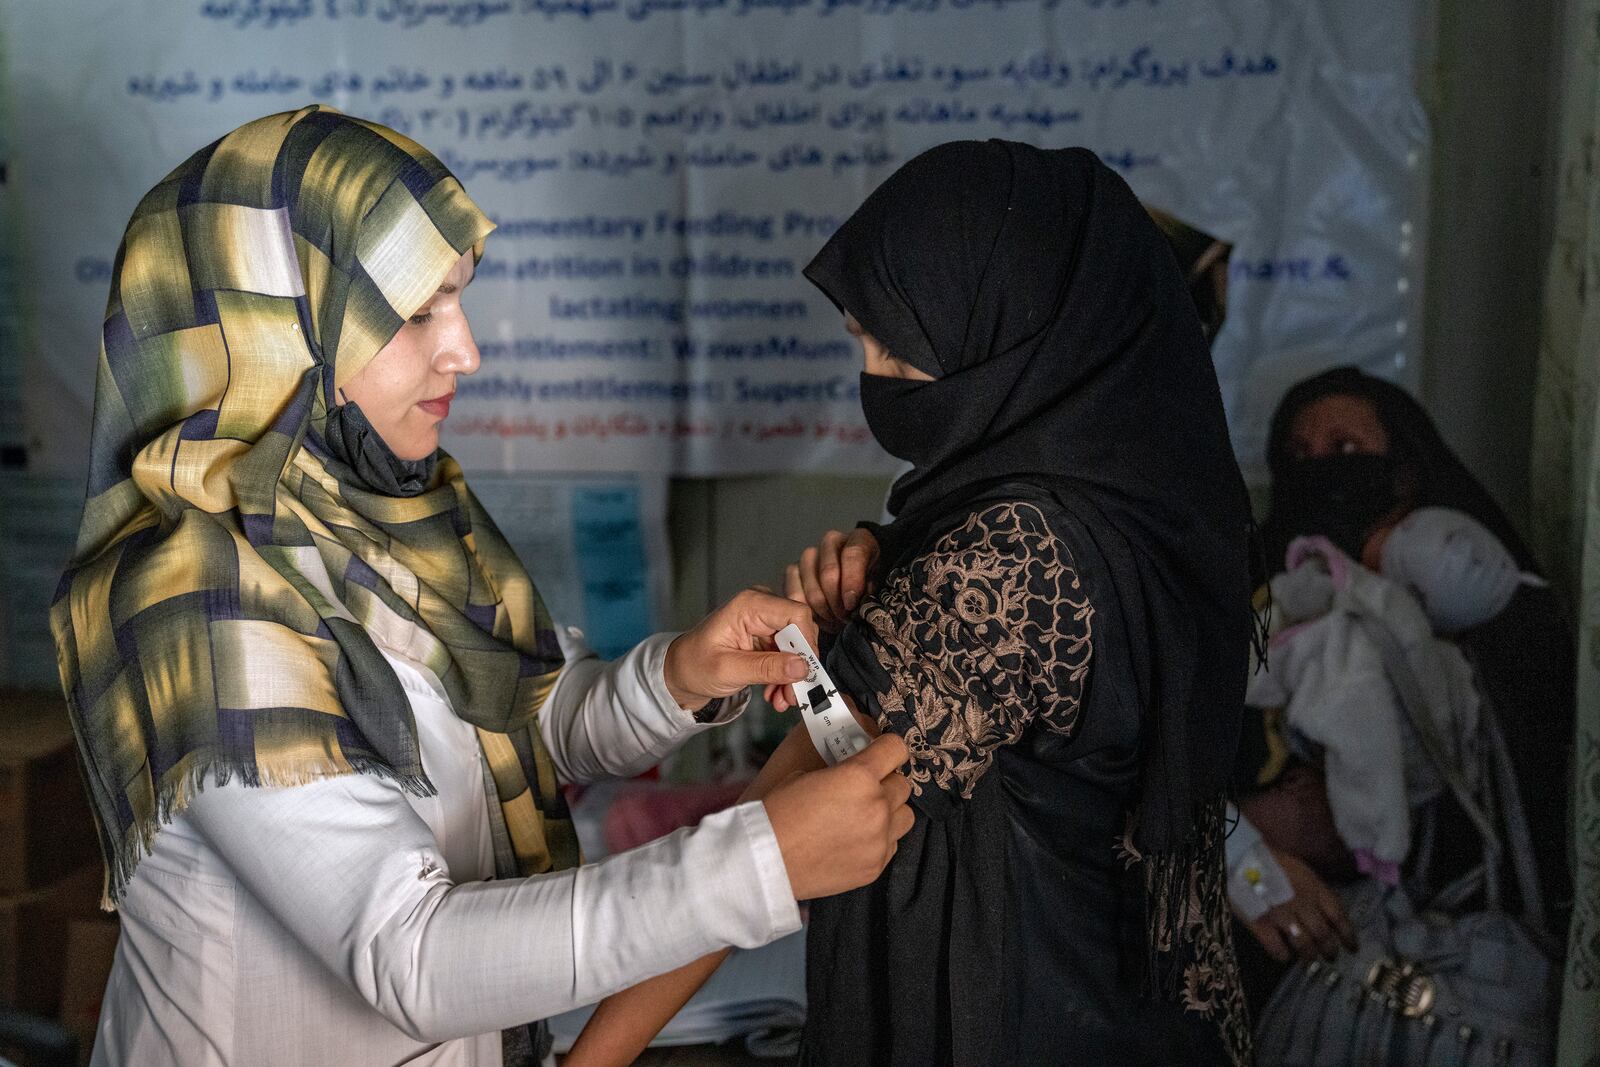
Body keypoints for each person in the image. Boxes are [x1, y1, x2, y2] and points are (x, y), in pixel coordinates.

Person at [48, 106, 914, 1067]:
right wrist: (755, 864)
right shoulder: (198, 598)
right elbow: (406, 954)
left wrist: (682, 674)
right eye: (416, 313)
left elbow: (529, 718)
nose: (466, 351)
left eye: (460, 299)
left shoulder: (398, 507)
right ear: (279, 327)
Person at [562, 140, 1261, 1066]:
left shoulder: (1007, 565)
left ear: (1006, 326)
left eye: (899, 343)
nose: (876, 375)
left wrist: (588, 1060)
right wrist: (891, 574)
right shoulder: (1134, 507)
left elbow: (744, 863)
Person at [1228, 366, 1573, 999]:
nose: (1320, 470)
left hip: (1448, 980)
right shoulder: (1259, 611)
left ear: (1406, 472)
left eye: (1346, 449)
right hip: (1273, 975)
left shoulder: (1490, 618)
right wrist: (1244, 848)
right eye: (1298, 456)